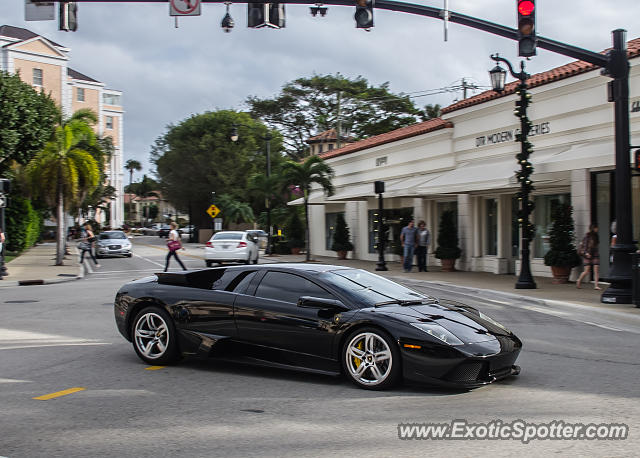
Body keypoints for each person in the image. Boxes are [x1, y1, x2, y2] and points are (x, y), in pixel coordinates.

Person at [576, 224, 600, 290]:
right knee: (586, 271)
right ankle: (579, 280)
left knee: (596, 270)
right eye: (596, 228)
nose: (597, 229)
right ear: (593, 228)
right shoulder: (587, 236)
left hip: (595, 254)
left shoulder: (596, 236)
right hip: (587, 254)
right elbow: (585, 245)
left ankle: (596, 285)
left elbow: (596, 245)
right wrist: (586, 253)